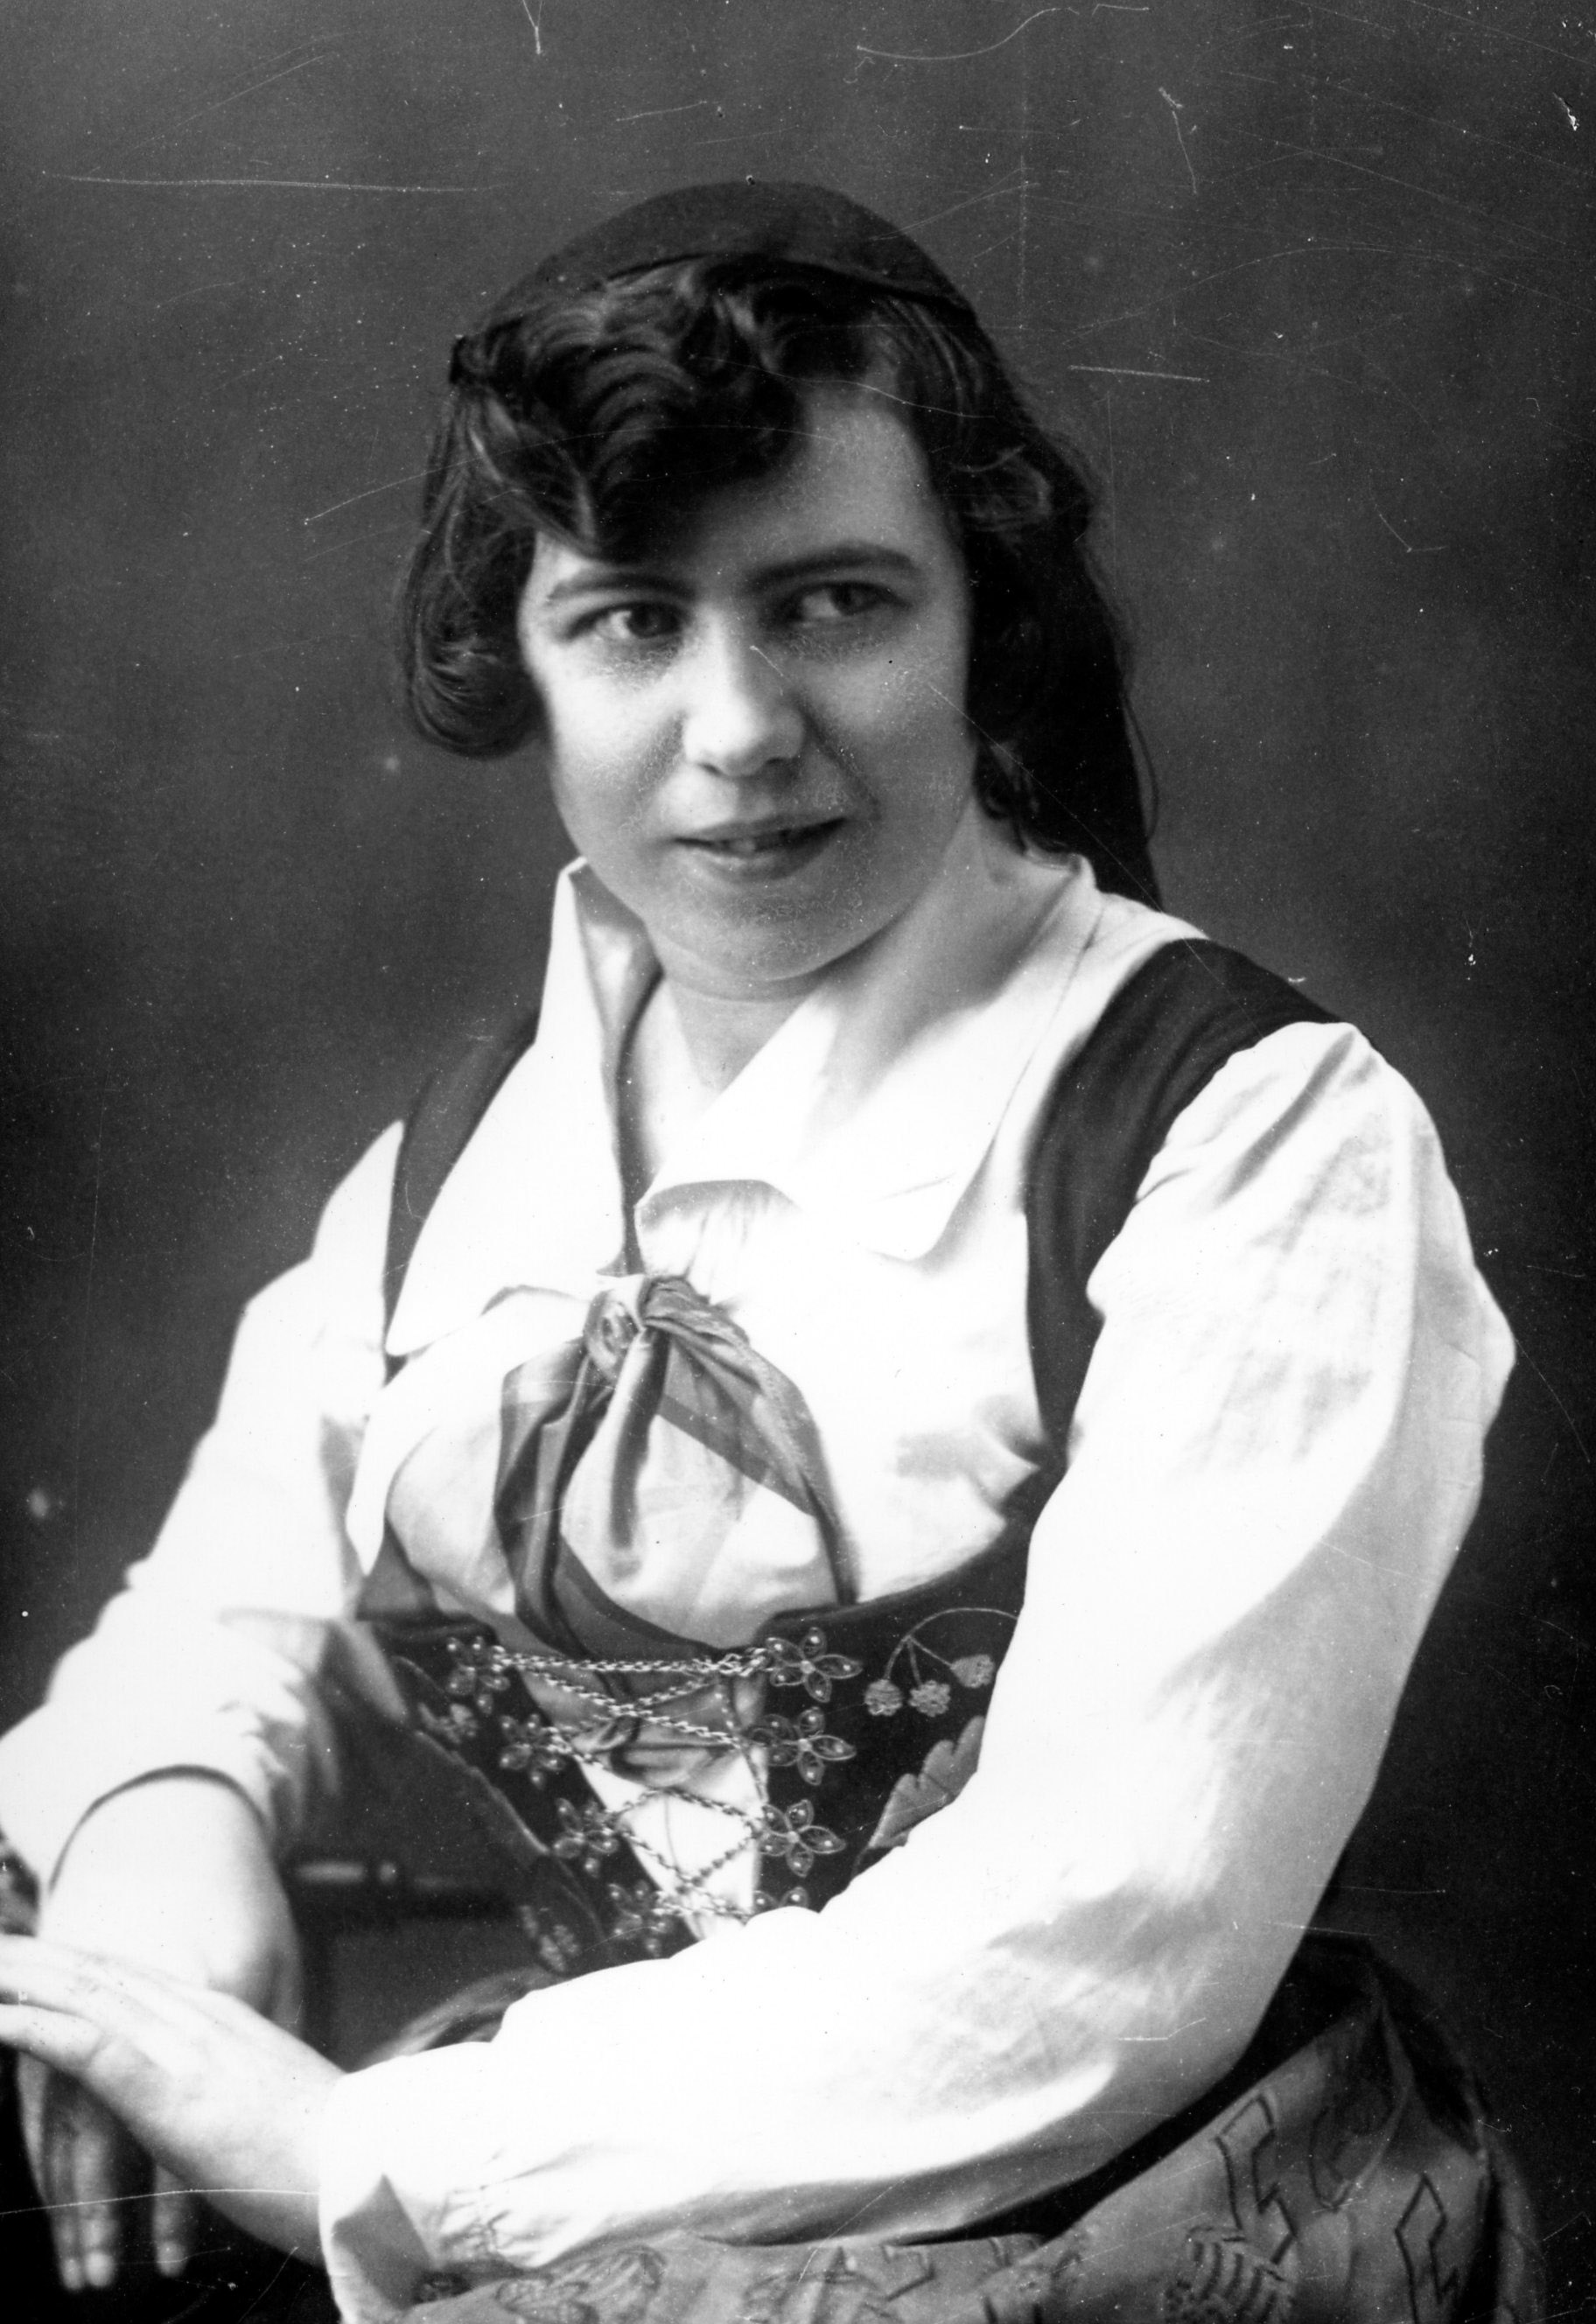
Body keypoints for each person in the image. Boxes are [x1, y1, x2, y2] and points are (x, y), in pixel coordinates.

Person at [0, 182, 1531, 2324]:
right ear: (522, 661)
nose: (738, 729)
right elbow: (220, 1608)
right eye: (633, 621)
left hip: (1116, 2208)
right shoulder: (470, 1161)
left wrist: (370, 2147)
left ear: (982, 618)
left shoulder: (1243, 1131)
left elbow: (1108, 1931)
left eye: (832, 603)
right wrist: (154, 1839)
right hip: (611, 2197)